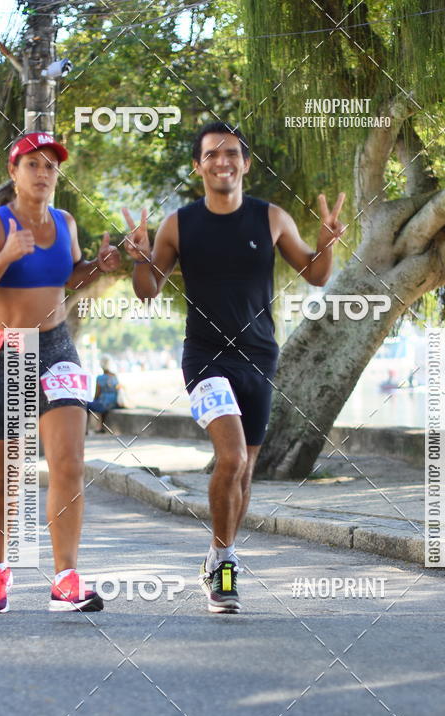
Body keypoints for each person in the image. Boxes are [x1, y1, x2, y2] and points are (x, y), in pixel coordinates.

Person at [123, 121, 345, 613]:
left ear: (245, 164)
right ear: (198, 166)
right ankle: (225, 567)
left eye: (231, 154)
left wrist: (327, 242)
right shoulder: (178, 225)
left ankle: (217, 556)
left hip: (259, 357)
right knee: (232, 458)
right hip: (205, 357)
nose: (221, 162)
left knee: (246, 472)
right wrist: (139, 259)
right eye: (211, 154)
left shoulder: (271, 218)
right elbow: (148, 289)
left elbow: (315, 274)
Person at [0, 131, 120, 613]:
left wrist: (99, 266)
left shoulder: (65, 222)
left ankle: (66, 578)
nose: (44, 173)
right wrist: (6, 255)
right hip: (4, 351)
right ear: (14, 172)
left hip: (57, 346)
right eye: (33, 164)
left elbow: (69, 276)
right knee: (3, 475)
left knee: (68, 462)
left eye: (51, 166)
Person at [87, 354, 121, 433]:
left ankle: (85, 429)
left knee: (87, 405)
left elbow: (97, 394)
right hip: (114, 403)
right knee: (101, 405)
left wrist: (94, 400)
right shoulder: (114, 376)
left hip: (104, 404)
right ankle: (100, 427)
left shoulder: (100, 378)